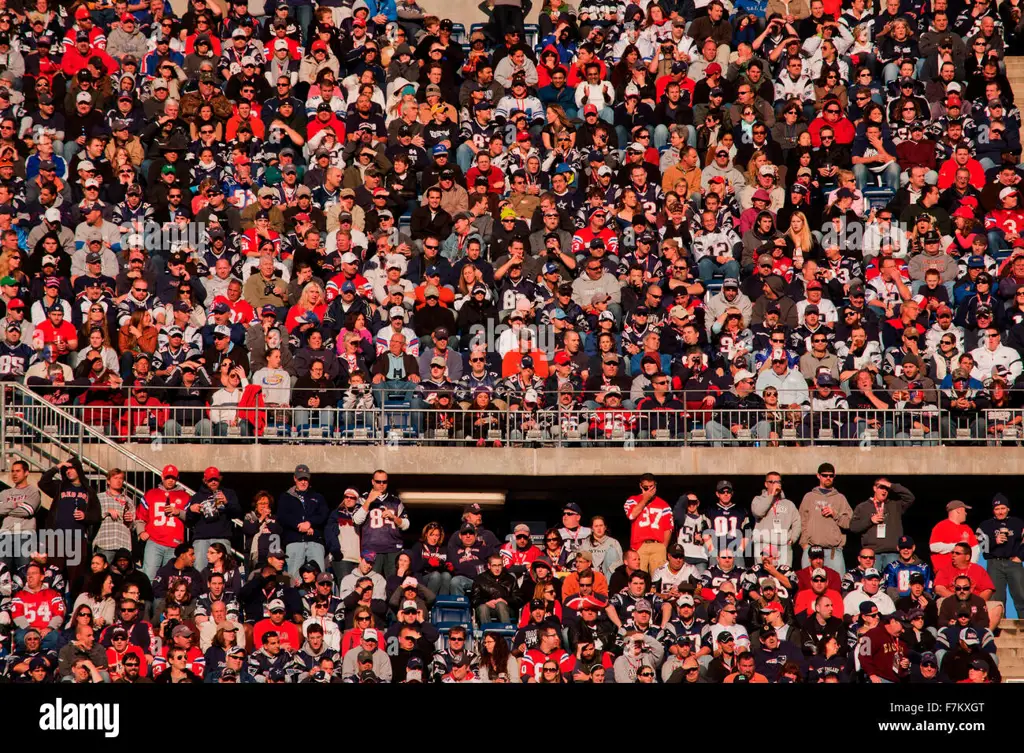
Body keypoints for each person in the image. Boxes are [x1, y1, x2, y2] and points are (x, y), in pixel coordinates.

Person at [352, 470, 410, 577]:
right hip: (372, 549)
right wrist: (369, 501)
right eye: (378, 481)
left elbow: (406, 525)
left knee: (393, 583)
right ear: (372, 482)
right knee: (371, 582)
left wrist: (394, 518)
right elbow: (356, 520)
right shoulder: (362, 498)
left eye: (384, 482)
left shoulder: (395, 501)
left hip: (393, 548)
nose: (381, 484)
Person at [848, 479, 915, 571]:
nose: (884, 491)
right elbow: (853, 527)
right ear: (874, 488)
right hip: (872, 554)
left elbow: (910, 497)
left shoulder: (895, 505)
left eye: (887, 489)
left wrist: (891, 485)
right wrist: (870, 521)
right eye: (881, 488)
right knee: (873, 581)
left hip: (892, 552)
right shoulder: (862, 507)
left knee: (893, 582)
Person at [975, 493, 1024, 620]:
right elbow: (981, 547)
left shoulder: (1018, 523)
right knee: (996, 598)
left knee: (1021, 594)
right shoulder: (985, 525)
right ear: (993, 510)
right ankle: (1000, 626)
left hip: (1014, 563)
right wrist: (994, 541)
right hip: (994, 563)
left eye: (1003, 508)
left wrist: (1020, 556)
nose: (1000, 512)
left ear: (1008, 508)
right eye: (997, 509)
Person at [798, 463, 852, 572]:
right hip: (811, 549)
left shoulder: (840, 498)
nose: (828, 478)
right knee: (809, 584)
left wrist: (835, 514)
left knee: (837, 585)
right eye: (825, 475)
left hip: (833, 551)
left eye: (831, 475)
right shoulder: (809, 497)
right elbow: (801, 521)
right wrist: (804, 544)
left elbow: (850, 523)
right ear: (818, 476)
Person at [276, 464, 329, 573]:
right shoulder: (285, 497)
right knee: (294, 576)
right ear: (295, 479)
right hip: (294, 541)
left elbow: (323, 515)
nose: (303, 482)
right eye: (300, 479)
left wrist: (310, 523)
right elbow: (282, 516)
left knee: (318, 575)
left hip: (314, 540)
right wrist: (299, 526)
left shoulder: (318, 497)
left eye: (305, 479)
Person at [623, 473, 674, 575]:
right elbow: (631, 515)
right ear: (640, 486)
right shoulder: (632, 500)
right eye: (646, 488)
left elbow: (668, 528)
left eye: (652, 487)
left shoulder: (664, 505)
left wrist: (663, 547)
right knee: (639, 577)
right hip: (639, 545)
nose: (650, 491)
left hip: (657, 545)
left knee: (658, 579)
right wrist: (645, 498)